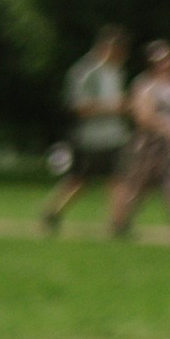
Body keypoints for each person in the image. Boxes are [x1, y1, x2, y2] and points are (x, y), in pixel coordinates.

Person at [39, 26, 129, 233]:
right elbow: (77, 107)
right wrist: (112, 106)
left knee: (118, 179)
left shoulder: (116, 71)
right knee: (79, 180)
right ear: (106, 47)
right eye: (118, 50)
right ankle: (52, 211)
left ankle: (118, 222)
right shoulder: (85, 72)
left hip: (113, 135)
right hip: (89, 137)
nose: (121, 55)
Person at [108, 39, 170, 238]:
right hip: (148, 144)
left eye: (167, 59)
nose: (164, 64)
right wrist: (165, 126)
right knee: (138, 187)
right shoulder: (144, 84)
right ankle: (120, 223)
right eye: (158, 61)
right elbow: (142, 116)